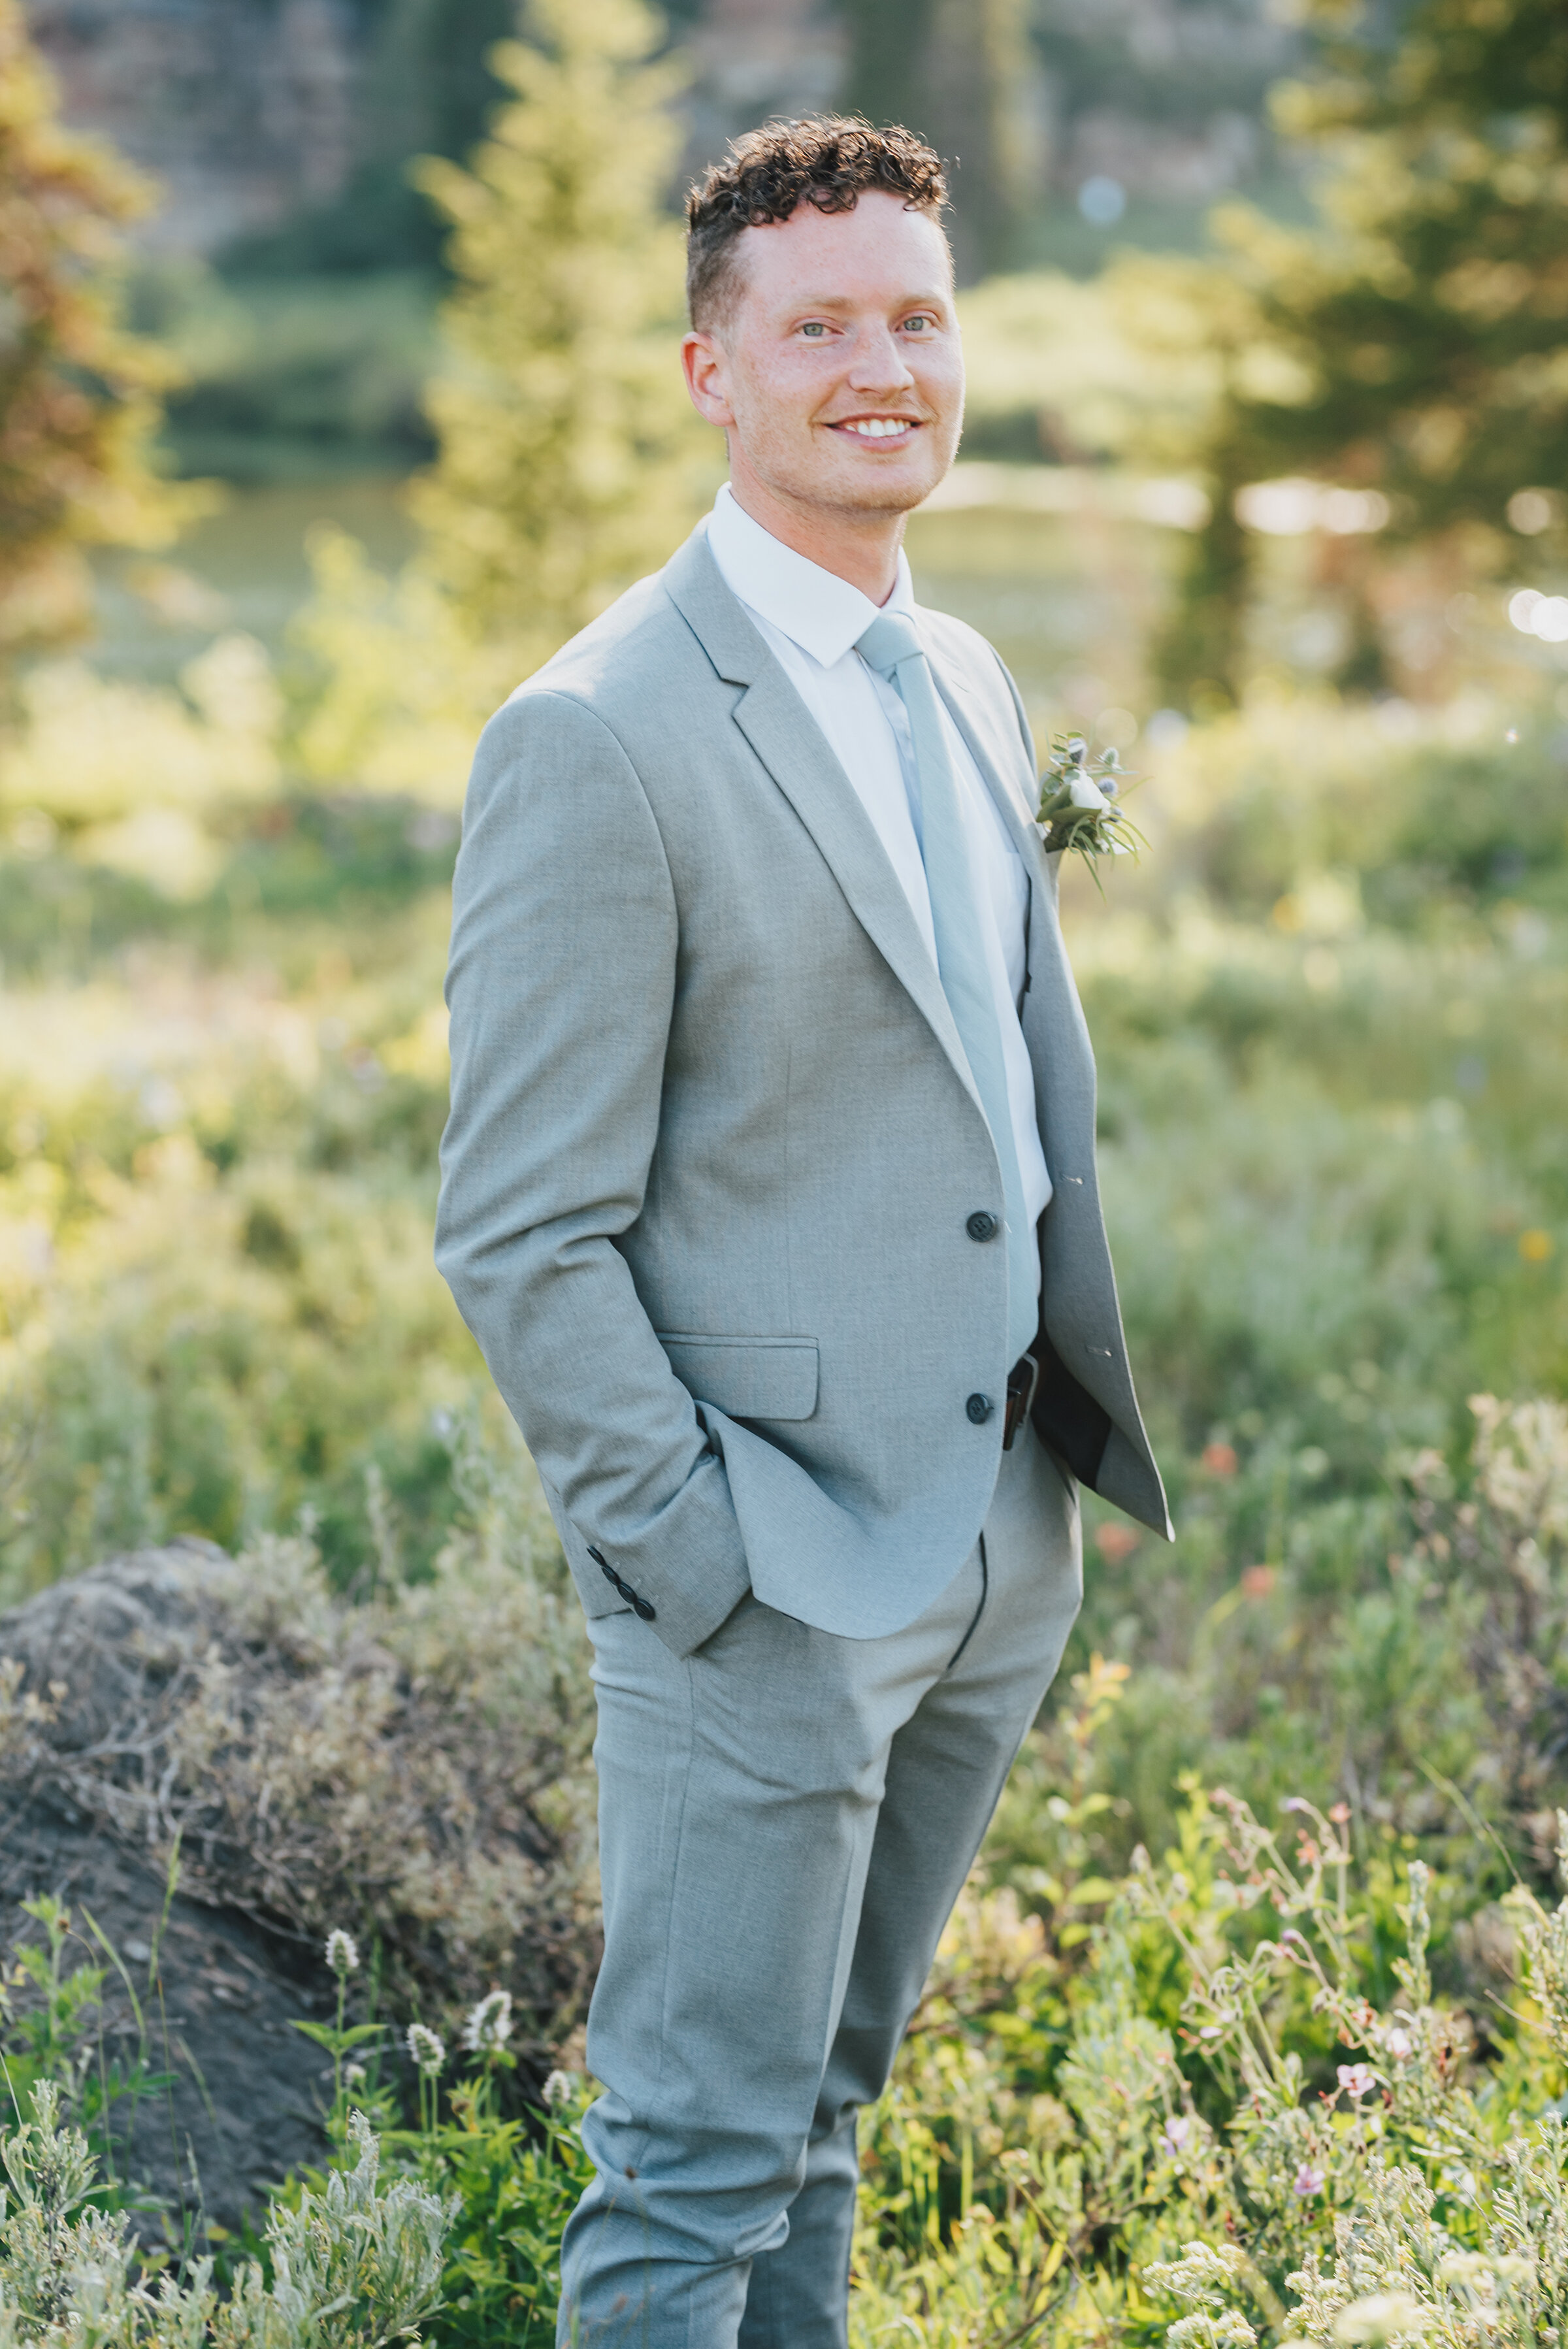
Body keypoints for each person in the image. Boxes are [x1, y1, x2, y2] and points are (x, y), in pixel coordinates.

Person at [435, 112, 1168, 2349]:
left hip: (990, 1544)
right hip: (760, 1577)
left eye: (921, 318)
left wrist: (1019, 1497)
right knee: (684, 2177)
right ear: (707, 368)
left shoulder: (959, 677)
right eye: (822, 321)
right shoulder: (597, 738)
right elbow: (519, 1229)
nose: (887, 364)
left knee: (826, 2117)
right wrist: (699, 1564)